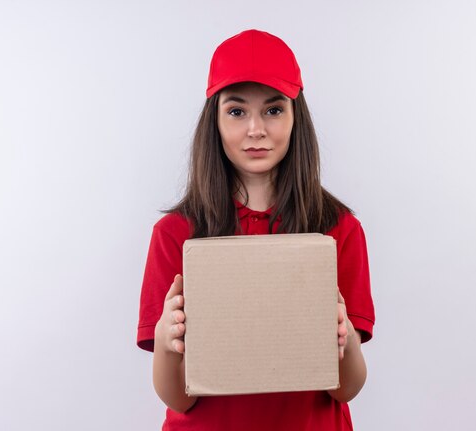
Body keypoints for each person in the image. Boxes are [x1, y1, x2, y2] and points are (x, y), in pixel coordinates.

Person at [137, 29, 375, 430]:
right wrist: (166, 338)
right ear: (213, 121)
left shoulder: (337, 229)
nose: (255, 130)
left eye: (273, 110)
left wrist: (345, 336)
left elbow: (346, 388)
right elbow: (179, 397)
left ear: (296, 117)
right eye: (236, 111)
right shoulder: (175, 234)